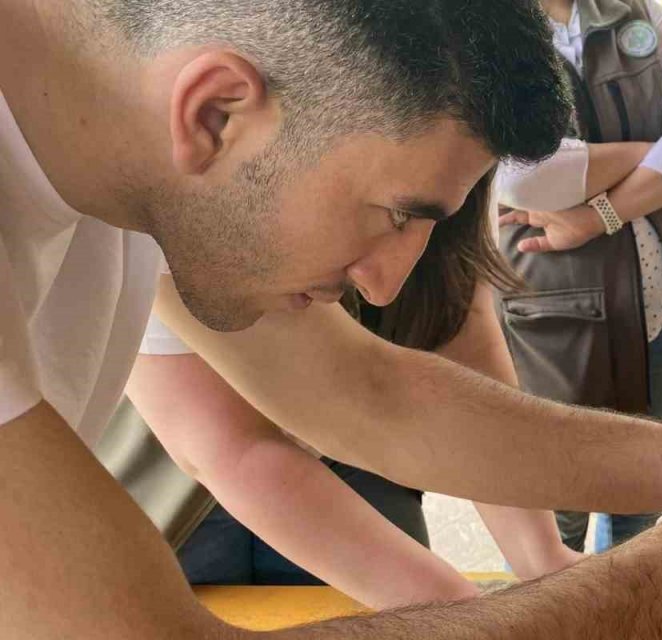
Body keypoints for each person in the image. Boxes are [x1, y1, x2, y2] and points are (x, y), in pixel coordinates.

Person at [0, 2, 662, 637]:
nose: (391, 289)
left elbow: (366, 391)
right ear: (217, 110)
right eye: (398, 213)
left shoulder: (133, 147)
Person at [124, 170, 582, 607]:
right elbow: (229, 447)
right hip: (176, 473)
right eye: (395, 216)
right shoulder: (166, 191)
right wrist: (467, 614)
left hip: (355, 451)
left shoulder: (467, 144)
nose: (383, 290)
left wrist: (542, 555)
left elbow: (456, 321)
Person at [494, 0, 662, 551]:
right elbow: (524, 178)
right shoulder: (479, 25)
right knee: (559, 509)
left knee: (649, 490)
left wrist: (592, 216)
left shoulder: (636, 10)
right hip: (552, 316)